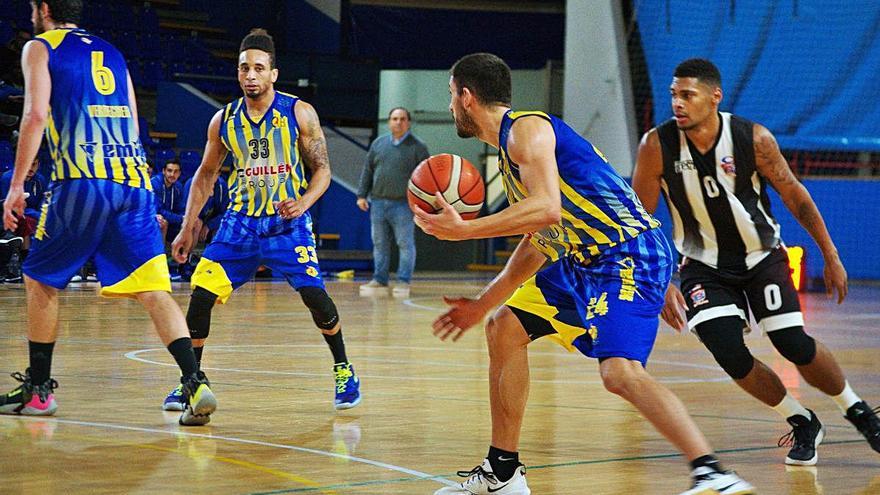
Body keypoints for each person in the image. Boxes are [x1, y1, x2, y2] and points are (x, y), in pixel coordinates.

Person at [415, 52, 755, 495]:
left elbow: (546, 208)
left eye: (449, 96)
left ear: (466, 96)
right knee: (503, 328)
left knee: (619, 373)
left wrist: (466, 231)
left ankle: (711, 471)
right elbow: (542, 237)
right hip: (584, 260)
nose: (450, 107)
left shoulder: (526, 129)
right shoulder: (510, 153)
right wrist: (482, 305)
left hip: (626, 253)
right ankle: (502, 471)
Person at [632, 58, 880, 466]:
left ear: (715, 97)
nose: (677, 103)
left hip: (760, 256)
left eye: (687, 95)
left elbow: (795, 196)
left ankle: (858, 411)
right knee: (729, 352)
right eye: (674, 94)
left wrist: (830, 254)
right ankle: (801, 420)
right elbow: (639, 218)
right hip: (702, 265)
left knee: (793, 344)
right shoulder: (656, 146)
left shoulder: (753, 138)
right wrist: (660, 281)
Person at [0, 0, 215, 426]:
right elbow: (134, 126)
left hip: (82, 180)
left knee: (39, 278)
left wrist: (17, 184)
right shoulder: (113, 53)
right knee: (155, 288)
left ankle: (39, 391)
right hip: (133, 183)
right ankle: (195, 382)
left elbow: (36, 114)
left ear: (44, 8)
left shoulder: (40, 47)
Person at [161, 29, 361, 412]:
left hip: (287, 223)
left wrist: (303, 203)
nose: (250, 75)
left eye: (258, 68)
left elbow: (322, 171)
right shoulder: (223, 120)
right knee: (200, 296)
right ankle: (191, 381)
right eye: (243, 68)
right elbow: (205, 175)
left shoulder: (299, 113)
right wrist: (188, 226)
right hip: (240, 224)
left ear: (273, 74)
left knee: (315, 297)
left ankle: (343, 368)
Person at [356, 107, 429, 298]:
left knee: (405, 244)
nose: (398, 122)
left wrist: (422, 203)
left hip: (404, 205)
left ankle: (403, 282)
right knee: (379, 244)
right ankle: (380, 280)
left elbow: (427, 178)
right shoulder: (379, 144)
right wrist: (362, 195)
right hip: (378, 203)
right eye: (395, 118)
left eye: (402, 119)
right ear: (389, 122)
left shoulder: (418, 147)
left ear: (409, 122)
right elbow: (368, 170)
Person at [0, 155, 46, 282]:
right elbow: (6, 204)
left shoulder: (40, 180)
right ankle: (23, 265)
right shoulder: (8, 178)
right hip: (12, 215)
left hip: (32, 215)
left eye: (34, 164)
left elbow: (44, 204)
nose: (31, 169)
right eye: (28, 164)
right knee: (24, 222)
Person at [151, 158, 185, 243]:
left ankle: (185, 254)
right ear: (163, 171)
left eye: (176, 171)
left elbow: (181, 208)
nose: (172, 174)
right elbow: (159, 210)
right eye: (169, 171)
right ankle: (161, 253)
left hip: (171, 218)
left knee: (193, 223)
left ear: (179, 173)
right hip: (153, 216)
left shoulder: (178, 186)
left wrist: (185, 219)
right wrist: (180, 218)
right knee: (163, 223)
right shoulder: (155, 184)